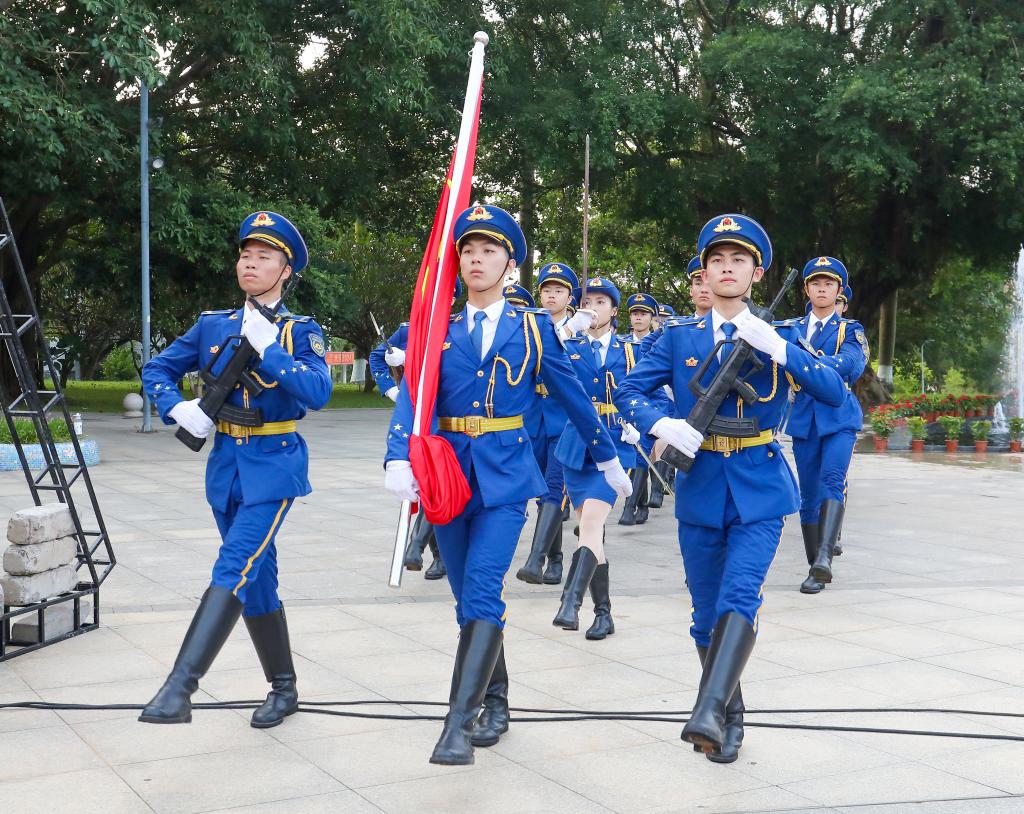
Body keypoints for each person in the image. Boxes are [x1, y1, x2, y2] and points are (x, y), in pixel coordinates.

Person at [383, 205, 631, 765]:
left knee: (480, 591)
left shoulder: (534, 328)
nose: (476, 259)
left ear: (509, 263)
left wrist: (607, 456)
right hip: (448, 477)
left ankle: (456, 724)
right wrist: (397, 456)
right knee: (465, 601)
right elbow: (414, 396)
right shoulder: (437, 328)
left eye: (489, 251)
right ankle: (496, 700)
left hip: (505, 478)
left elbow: (573, 396)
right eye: (468, 251)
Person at [615, 213, 845, 763]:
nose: (726, 268)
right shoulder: (679, 338)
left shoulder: (782, 334)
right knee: (704, 611)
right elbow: (627, 390)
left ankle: (707, 708)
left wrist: (781, 350)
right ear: (703, 271)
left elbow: (834, 390)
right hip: (701, 484)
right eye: (716, 260)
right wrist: (660, 423)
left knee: (740, 595)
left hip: (759, 484)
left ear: (756, 273)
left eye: (738, 260)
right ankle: (728, 714)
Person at [139, 212, 332, 728]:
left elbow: (318, 391)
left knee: (233, 567)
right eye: (246, 255)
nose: (250, 263)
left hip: (274, 465)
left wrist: (270, 350)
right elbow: (157, 368)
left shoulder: (299, 331)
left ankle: (178, 688)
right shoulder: (214, 325)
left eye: (264, 257)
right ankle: (284, 688)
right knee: (257, 579)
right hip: (226, 466)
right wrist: (175, 407)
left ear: (285, 271)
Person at [554, 278, 640, 638]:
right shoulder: (568, 345)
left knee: (589, 525)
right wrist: (565, 330)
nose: (593, 308)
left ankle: (570, 603)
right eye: (587, 302)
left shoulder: (631, 351)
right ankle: (604, 614)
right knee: (591, 535)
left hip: (616, 447)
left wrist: (642, 427)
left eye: (601, 302)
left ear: (614, 310)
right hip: (577, 448)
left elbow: (650, 395)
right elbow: (537, 356)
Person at [786, 258, 867, 594]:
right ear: (806, 289)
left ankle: (824, 557)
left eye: (828, 284)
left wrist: (806, 363)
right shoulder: (790, 328)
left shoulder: (850, 329)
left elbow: (851, 364)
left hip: (838, 416)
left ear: (839, 291)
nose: (822, 289)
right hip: (804, 418)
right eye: (816, 283)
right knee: (807, 494)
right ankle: (814, 567)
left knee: (832, 480)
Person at [517, 262, 583, 585]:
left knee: (555, 486)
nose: (551, 296)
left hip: (565, 420)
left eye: (558, 290)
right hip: (534, 420)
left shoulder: (581, 332)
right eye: (546, 290)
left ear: (570, 297)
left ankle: (539, 559)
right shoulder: (528, 329)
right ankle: (555, 557)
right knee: (541, 492)